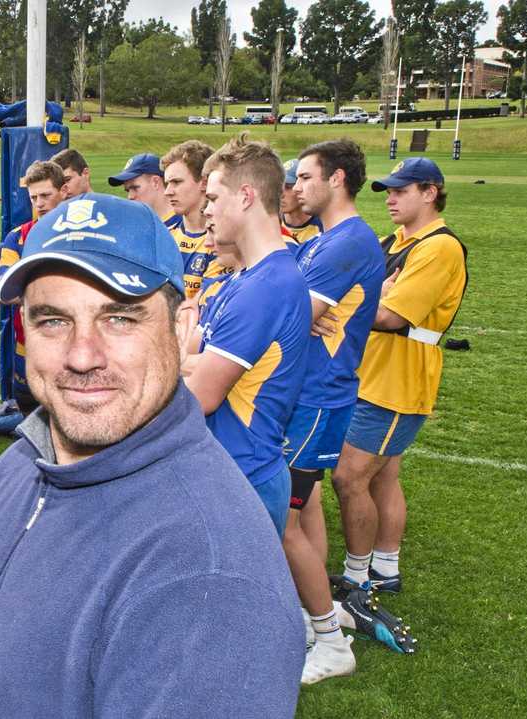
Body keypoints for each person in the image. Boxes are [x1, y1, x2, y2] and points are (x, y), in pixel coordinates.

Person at [0, 194, 303, 718]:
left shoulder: (209, 580)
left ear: (181, 328)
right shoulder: (20, 463)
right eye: (53, 320)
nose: (82, 355)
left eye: (120, 318)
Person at [332, 158, 467, 595]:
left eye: (400, 190)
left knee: (349, 477)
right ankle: (386, 568)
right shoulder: (395, 241)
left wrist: (355, 301)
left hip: (397, 384)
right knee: (383, 474)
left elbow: (389, 315)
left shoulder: (439, 247)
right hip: (371, 374)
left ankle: (357, 575)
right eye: (388, 191)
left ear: (430, 192)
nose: (390, 198)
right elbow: (366, 294)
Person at [283, 139, 389, 680]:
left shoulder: (344, 243)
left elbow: (283, 316)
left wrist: (292, 313)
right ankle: (308, 612)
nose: (296, 187)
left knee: (282, 516)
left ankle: (327, 636)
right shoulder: (323, 241)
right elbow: (285, 303)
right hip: (306, 393)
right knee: (298, 511)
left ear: (338, 180)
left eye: (304, 177)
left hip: (317, 397)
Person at [182, 135, 311, 539]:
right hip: (230, 470)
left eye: (215, 198)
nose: (206, 211)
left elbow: (200, 395)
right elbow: (190, 357)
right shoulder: (243, 277)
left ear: (246, 197)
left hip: (244, 476)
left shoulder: (265, 286)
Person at [0, 159, 65, 418]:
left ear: (63, 192)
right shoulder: (17, 237)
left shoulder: (79, 236)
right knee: (28, 404)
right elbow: (7, 290)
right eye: (34, 197)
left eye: (46, 195)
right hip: (26, 343)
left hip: (67, 343)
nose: (39, 203)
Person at [162, 140, 218, 298]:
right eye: (167, 183)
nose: (168, 192)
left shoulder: (223, 242)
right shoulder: (165, 237)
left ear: (204, 183)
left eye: (176, 182)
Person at [108, 152, 181, 230]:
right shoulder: (138, 225)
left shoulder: (187, 225)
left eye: (135, 188)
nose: (130, 197)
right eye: (128, 190)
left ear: (155, 182)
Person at [281, 159, 324, 243]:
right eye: (278, 186)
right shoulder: (271, 222)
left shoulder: (323, 227)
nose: (281, 194)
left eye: (288, 187)